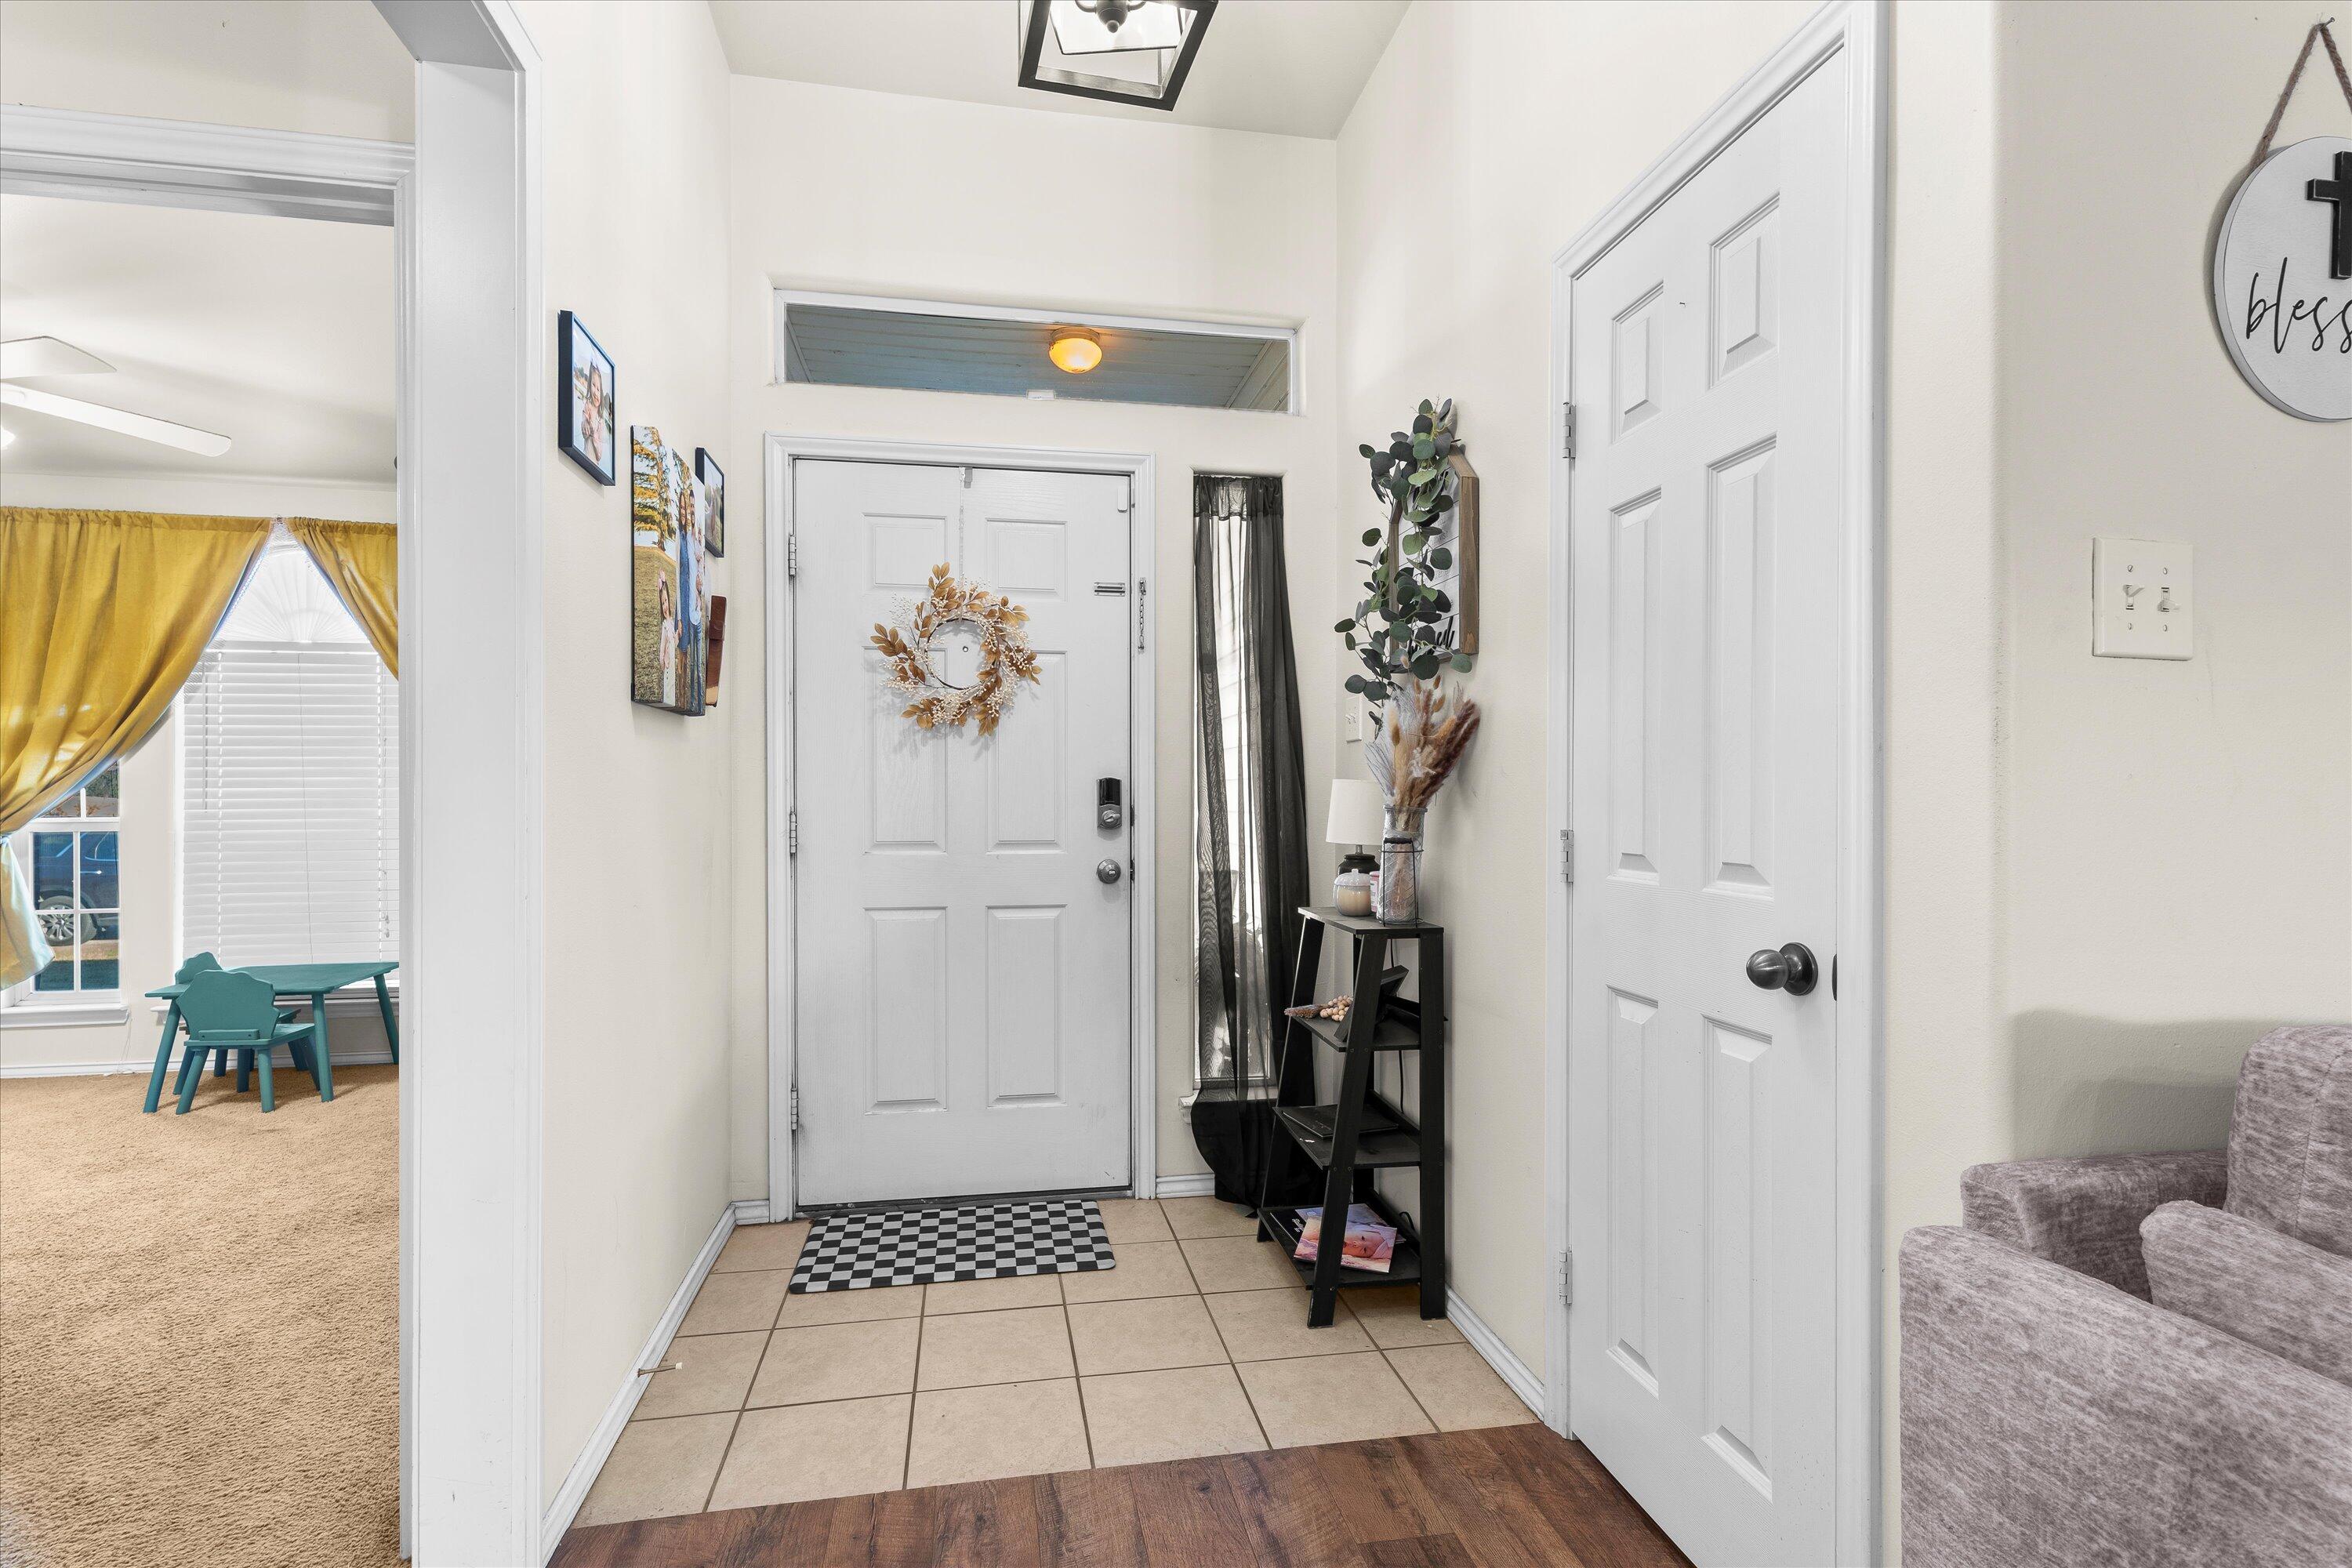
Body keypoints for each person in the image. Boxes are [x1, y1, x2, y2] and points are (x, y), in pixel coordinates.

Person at [657, 572, 677, 707]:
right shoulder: (665, 625)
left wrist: (678, 635)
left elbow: (674, 643)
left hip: (673, 665)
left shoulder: (672, 622)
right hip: (668, 667)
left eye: (666, 601)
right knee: (668, 690)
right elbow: (662, 650)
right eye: (662, 602)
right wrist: (665, 665)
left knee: (673, 689)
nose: (665, 606)